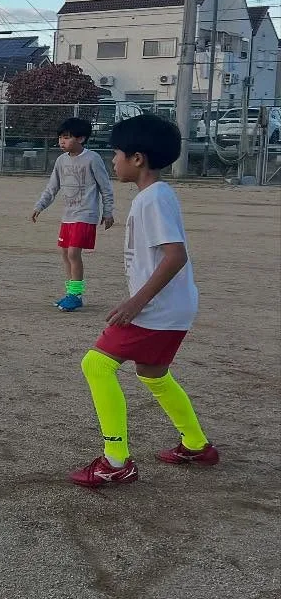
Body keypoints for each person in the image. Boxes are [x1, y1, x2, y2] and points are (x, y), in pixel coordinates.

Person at [70, 114, 217, 487]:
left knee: (96, 365)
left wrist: (136, 303)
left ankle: (116, 460)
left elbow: (175, 255)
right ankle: (197, 445)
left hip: (158, 311)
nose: (113, 161)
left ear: (138, 158)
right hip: (171, 309)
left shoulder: (153, 199)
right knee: (153, 374)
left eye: (117, 154)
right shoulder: (155, 196)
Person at [32, 117, 114, 311]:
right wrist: (40, 206)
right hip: (68, 215)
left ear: (81, 138)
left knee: (73, 253)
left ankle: (76, 295)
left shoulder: (92, 158)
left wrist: (108, 211)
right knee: (64, 253)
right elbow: (52, 187)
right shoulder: (61, 161)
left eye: (67, 137)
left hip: (85, 214)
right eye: (60, 137)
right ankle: (70, 292)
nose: (62, 141)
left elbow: (105, 187)